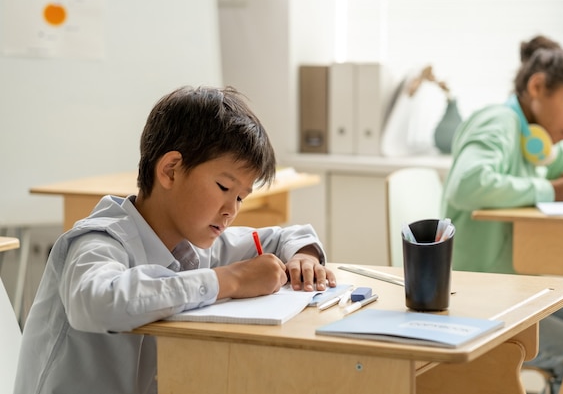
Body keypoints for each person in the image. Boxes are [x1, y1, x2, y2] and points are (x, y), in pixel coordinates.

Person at [14, 85, 336, 394]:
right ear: (170, 170)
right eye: (224, 188)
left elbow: (283, 237)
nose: (231, 211)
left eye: (240, 198)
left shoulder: (193, 243)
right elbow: (97, 301)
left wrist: (304, 256)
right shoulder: (100, 239)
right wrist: (231, 280)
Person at [441, 35, 563, 393]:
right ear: (538, 86)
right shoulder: (497, 123)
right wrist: (553, 190)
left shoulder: (537, 143)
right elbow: (466, 184)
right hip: (479, 295)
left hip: (522, 291)